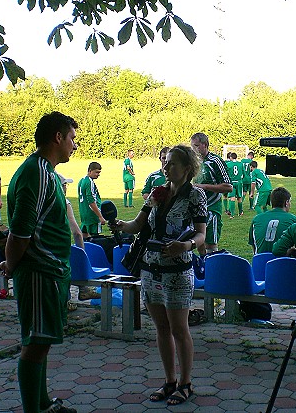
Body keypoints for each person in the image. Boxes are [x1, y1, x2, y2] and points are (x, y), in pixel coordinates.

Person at [109, 145, 207, 406]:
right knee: (161, 329)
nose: (166, 167)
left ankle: (186, 384)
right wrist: (120, 225)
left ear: (187, 168)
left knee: (179, 328)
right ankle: (169, 381)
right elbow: (138, 225)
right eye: (165, 162)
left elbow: (201, 235)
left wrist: (185, 246)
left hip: (177, 271)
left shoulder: (195, 196)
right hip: (150, 269)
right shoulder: (157, 194)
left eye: (173, 163)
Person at [0, 111, 78, 413]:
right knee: (34, 345)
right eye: (71, 138)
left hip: (51, 272)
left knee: (41, 342)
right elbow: (20, 232)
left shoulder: (47, 172)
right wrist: (12, 263)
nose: (74, 144)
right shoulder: (37, 173)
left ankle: (43, 404)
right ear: (57, 137)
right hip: (39, 273)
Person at [58, 173, 99, 303]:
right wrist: (82, 252)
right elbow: (76, 232)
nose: (66, 188)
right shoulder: (64, 202)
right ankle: (83, 290)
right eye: (65, 185)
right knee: (75, 256)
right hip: (60, 250)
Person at [190, 132, 232, 255]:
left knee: (211, 243)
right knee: (198, 241)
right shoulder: (194, 161)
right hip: (198, 207)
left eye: (196, 146)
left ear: (205, 145)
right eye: (192, 146)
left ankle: (211, 268)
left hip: (212, 207)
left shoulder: (215, 161)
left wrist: (203, 187)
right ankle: (203, 266)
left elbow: (228, 187)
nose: (194, 149)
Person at [248, 187, 296, 254]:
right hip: (281, 262)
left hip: (260, 261)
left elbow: (254, 246)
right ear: (286, 203)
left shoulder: (257, 219)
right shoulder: (294, 220)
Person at [77, 162, 105, 239]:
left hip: (84, 213)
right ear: (90, 171)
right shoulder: (90, 182)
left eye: (99, 172)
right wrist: (100, 216)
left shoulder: (82, 180)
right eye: (96, 172)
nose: (98, 174)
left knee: (85, 236)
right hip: (92, 215)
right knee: (96, 238)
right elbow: (91, 202)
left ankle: (84, 249)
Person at [226, 152, 245, 218]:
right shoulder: (240, 164)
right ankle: (240, 212)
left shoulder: (228, 164)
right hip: (239, 182)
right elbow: (244, 174)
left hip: (232, 183)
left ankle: (232, 214)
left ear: (231, 157)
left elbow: (226, 174)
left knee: (232, 198)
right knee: (239, 197)